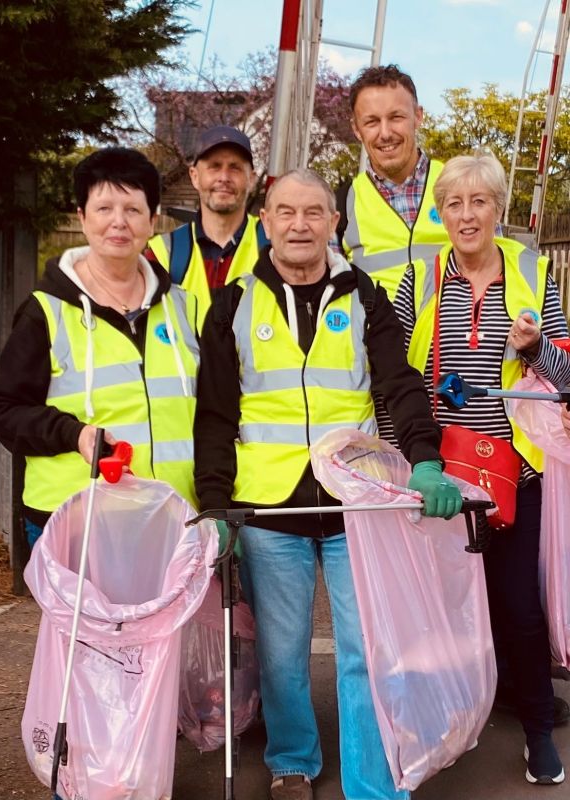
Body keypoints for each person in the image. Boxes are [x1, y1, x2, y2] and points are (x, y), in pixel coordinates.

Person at [194, 167, 462, 800]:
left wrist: (424, 457)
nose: (299, 225)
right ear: (266, 221)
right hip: (268, 507)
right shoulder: (233, 304)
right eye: (286, 212)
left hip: (354, 500)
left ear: (334, 222)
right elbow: (213, 413)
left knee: (364, 648)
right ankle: (293, 761)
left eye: (313, 212)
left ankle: (373, 775)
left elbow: (398, 384)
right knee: (283, 655)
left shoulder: (365, 295)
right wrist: (214, 503)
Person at [392, 151, 570, 786]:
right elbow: (398, 379)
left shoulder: (532, 271)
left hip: (515, 473)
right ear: (441, 213)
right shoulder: (421, 278)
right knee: (439, 607)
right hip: (442, 473)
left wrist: (536, 347)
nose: (466, 216)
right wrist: (406, 463)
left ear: (498, 208)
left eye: (479, 202)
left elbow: (568, 377)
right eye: (454, 204)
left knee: (519, 606)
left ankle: (538, 726)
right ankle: (445, 722)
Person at [0, 147, 199, 543]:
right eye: (104, 208)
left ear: (152, 221)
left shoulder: (185, 308)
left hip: (171, 517)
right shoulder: (44, 312)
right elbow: (3, 409)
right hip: (75, 519)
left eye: (133, 210)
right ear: (82, 217)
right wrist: (73, 434)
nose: (119, 222)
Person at [337, 65, 450, 301]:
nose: (385, 133)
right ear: (356, 129)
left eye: (396, 117)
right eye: (372, 122)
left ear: (418, 116)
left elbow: (496, 270)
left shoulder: (459, 185)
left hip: (451, 338)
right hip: (375, 337)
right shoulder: (341, 204)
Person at [146, 124, 266, 330]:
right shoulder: (163, 254)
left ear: (252, 179)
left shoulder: (274, 245)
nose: (224, 178)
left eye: (235, 168)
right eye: (214, 166)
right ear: (194, 176)